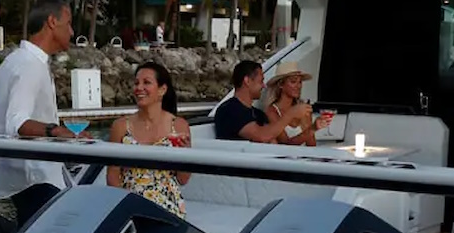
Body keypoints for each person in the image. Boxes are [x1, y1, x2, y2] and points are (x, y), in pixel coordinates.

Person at [0, 0, 77, 227]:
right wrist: (56, 131)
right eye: (68, 23)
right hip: (36, 178)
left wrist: (64, 132)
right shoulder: (30, 65)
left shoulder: (15, 60)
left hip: (22, 178)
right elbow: (17, 122)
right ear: (52, 22)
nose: (71, 31)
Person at [107, 61, 192, 217]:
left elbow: (183, 179)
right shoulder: (120, 126)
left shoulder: (179, 126)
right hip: (130, 206)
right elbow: (112, 176)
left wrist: (185, 154)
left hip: (168, 207)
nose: (139, 88)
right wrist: (125, 208)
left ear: (162, 90)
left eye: (146, 82)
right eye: (136, 83)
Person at [212, 59, 312, 143]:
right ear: (247, 81)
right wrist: (290, 114)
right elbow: (261, 136)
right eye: (261, 81)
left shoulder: (258, 114)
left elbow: (273, 141)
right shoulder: (229, 110)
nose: (264, 86)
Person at [261, 60, 334, 147]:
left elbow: (311, 145)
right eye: (293, 82)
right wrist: (313, 128)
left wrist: (314, 127)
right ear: (281, 85)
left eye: (300, 82)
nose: (298, 86)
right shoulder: (272, 111)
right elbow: (284, 145)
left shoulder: (302, 108)